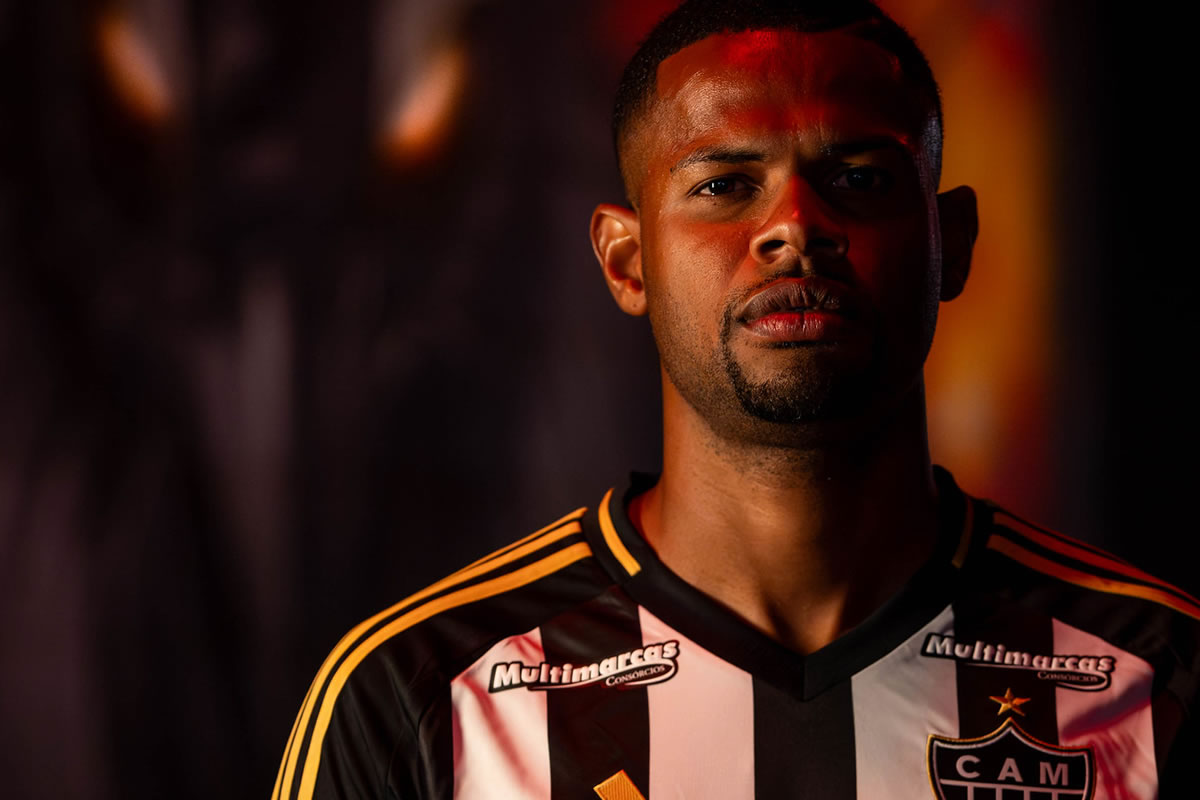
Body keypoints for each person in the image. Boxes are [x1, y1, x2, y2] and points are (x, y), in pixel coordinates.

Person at [272, 1, 1198, 797]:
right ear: (626, 261)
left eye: (859, 178)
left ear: (949, 240)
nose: (795, 225)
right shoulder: (422, 696)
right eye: (724, 185)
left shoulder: (1162, 673)